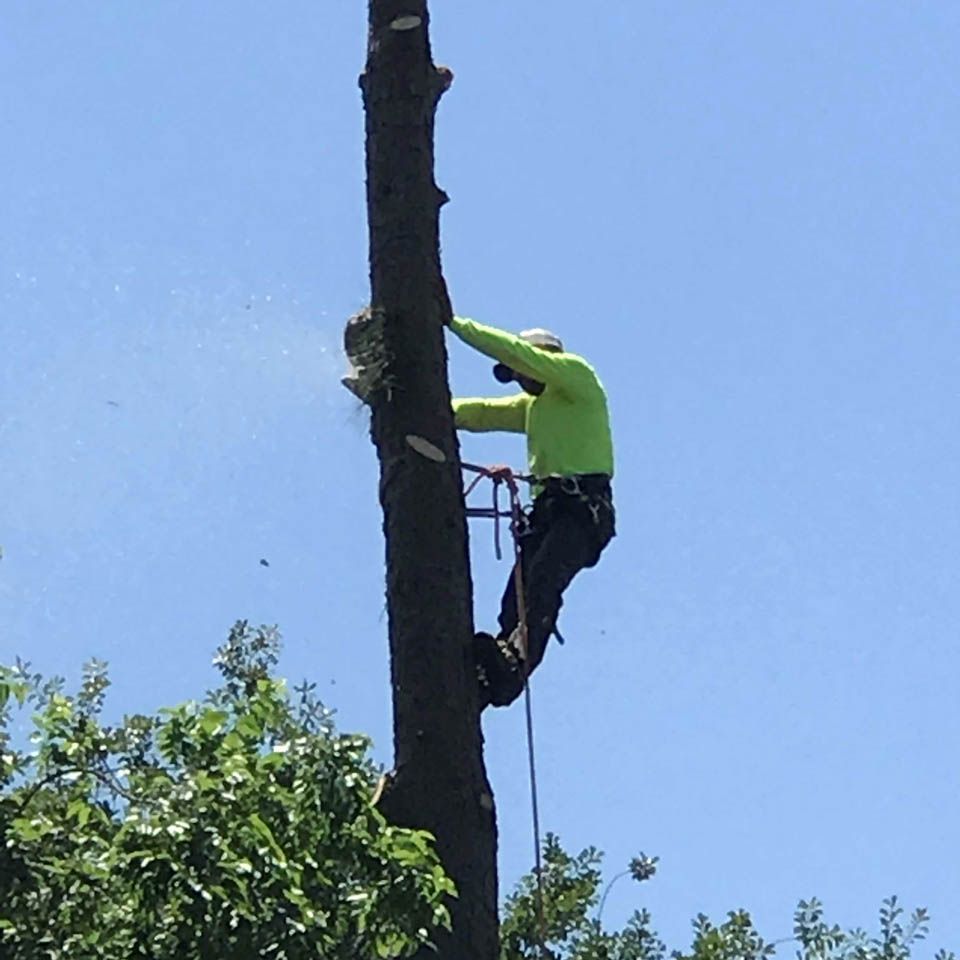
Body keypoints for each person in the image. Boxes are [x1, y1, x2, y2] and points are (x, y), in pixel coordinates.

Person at [447, 314, 615, 708]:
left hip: (582, 510)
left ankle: (514, 668)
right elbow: (482, 411)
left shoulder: (577, 378)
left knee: (541, 585)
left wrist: (453, 324)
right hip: (550, 512)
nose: (522, 382)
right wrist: (415, 405)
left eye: (524, 371)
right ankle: (495, 672)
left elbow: (514, 351)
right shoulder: (535, 407)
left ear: (544, 359)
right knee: (515, 601)